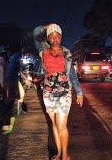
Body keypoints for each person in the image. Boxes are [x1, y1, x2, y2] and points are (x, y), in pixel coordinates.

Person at [39, 23, 83, 160]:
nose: (55, 38)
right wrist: (46, 27)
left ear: (61, 37)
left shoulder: (67, 53)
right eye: (51, 36)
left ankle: (65, 155)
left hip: (64, 92)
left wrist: (79, 93)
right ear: (48, 39)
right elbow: (35, 33)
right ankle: (58, 152)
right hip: (48, 93)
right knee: (54, 124)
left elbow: (72, 75)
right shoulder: (43, 51)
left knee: (62, 125)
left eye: (57, 36)